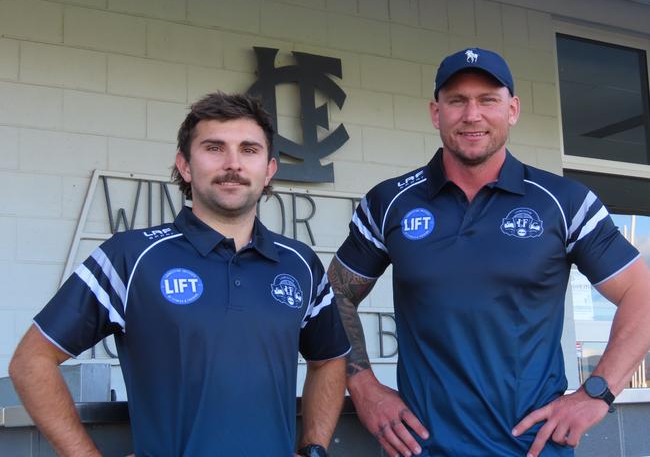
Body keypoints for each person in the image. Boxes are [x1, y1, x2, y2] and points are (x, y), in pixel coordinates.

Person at [328, 48, 650, 457]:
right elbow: (334, 293)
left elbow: (642, 294)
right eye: (457, 101)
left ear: (512, 109)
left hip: (532, 448)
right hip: (422, 448)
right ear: (435, 113)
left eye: (488, 100)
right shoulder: (390, 203)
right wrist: (362, 385)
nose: (472, 115)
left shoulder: (564, 202)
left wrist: (597, 392)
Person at [9, 92, 350, 457]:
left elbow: (328, 359)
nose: (233, 164)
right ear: (185, 166)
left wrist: (314, 448)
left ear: (269, 170)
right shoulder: (132, 256)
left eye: (249, 150)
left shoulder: (299, 263)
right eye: (214, 148)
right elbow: (31, 361)